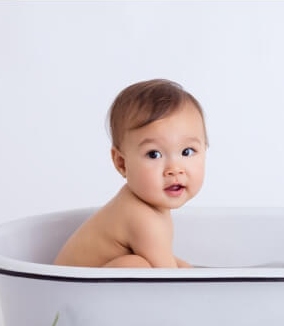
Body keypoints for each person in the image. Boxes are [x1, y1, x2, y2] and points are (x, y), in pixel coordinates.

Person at [54, 79, 206, 268]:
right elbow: (169, 278)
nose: (175, 169)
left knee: (182, 266)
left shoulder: (147, 206)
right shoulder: (141, 217)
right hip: (71, 292)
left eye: (187, 152)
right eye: (154, 154)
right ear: (122, 163)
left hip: (84, 289)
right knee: (136, 265)